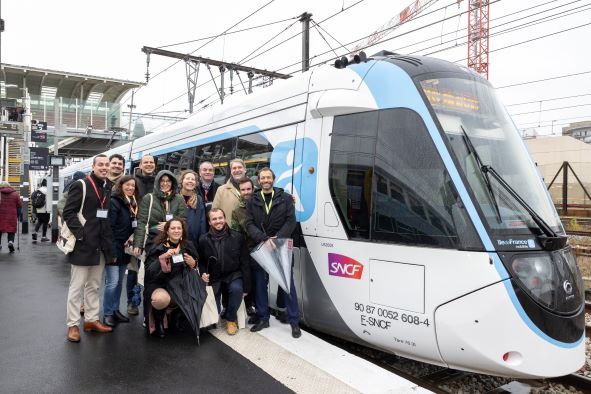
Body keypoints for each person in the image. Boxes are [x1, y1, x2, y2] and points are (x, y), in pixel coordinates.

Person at [63, 154, 113, 343]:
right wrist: (82, 235)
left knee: (94, 285)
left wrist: (108, 246)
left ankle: (91, 320)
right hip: (83, 245)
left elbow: (105, 217)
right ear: (93, 166)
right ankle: (73, 325)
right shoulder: (81, 185)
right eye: (100, 164)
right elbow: (68, 212)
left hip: (100, 246)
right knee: (76, 288)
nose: (104, 167)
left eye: (106, 165)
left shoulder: (108, 187)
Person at [246, 167, 300, 338]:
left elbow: (291, 221)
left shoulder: (285, 198)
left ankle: (294, 322)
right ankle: (263, 318)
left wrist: (278, 238)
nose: (266, 180)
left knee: (287, 284)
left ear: (273, 179)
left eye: (268, 177)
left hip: (281, 245)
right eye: (263, 178)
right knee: (260, 284)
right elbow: (249, 223)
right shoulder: (252, 200)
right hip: (261, 245)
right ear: (259, 181)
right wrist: (263, 238)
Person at [143, 218, 199, 338]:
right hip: (160, 285)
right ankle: (159, 322)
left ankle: (177, 317)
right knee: (161, 300)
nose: (176, 231)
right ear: (167, 231)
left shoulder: (188, 245)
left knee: (194, 293)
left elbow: (198, 265)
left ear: (183, 231)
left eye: (179, 228)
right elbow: (149, 271)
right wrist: (161, 259)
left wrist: (193, 263)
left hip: (181, 284)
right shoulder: (157, 246)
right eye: (173, 228)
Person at [199, 208, 250, 335]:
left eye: (220, 218)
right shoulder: (203, 239)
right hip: (214, 277)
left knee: (237, 290)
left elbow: (245, 263)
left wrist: (246, 287)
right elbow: (201, 261)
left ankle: (231, 319)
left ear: (225, 218)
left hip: (233, 274)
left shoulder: (237, 237)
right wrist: (203, 273)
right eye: (214, 219)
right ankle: (217, 313)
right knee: (213, 315)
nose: (218, 221)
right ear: (209, 222)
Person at [103, 176, 138, 327]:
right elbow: (108, 228)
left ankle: (115, 310)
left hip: (125, 249)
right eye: (127, 185)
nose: (130, 188)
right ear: (121, 185)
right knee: (112, 282)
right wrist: (111, 251)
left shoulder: (132, 203)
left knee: (118, 283)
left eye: (133, 186)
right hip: (114, 247)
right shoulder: (114, 201)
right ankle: (107, 313)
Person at [133, 170, 187, 258]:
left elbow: (183, 219)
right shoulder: (149, 198)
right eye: (162, 180)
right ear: (158, 182)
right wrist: (138, 244)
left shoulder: (179, 199)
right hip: (153, 240)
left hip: (173, 240)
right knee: (153, 267)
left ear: (172, 182)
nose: (165, 183)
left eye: (168, 181)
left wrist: (168, 225)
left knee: (172, 268)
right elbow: (142, 222)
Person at [127, 154, 156, 315]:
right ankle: (131, 302)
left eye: (151, 162)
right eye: (146, 162)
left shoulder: (159, 182)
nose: (149, 165)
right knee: (133, 268)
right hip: (135, 230)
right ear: (140, 165)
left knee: (152, 268)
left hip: (153, 232)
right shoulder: (132, 181)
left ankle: (149, 301)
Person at [230, 177, 257, 320]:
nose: (246, 192)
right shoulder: (237, 210)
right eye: (243, 190)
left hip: (265, 247)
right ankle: (250, 306)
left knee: (261, 281)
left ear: (253, 189)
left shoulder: (260, 203)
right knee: (249, 278)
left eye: (248, 189)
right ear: (239, 191)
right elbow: (235, 232)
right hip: (248, 249)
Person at [179, 170, 206, 247]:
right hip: (178, 240)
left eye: (193, 179)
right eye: (187, 178)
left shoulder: (199, 199)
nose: (190, 181)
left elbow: (202, 221)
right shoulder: (175, 198)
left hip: (194, 241)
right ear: (182, 181)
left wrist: (202, 239)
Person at [0, 181, 22, 253]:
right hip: (12, 215)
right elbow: (19, 206)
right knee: (11, 230)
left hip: (1, 215)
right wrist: (18, 215)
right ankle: (10, 242)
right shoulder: (15, 194)